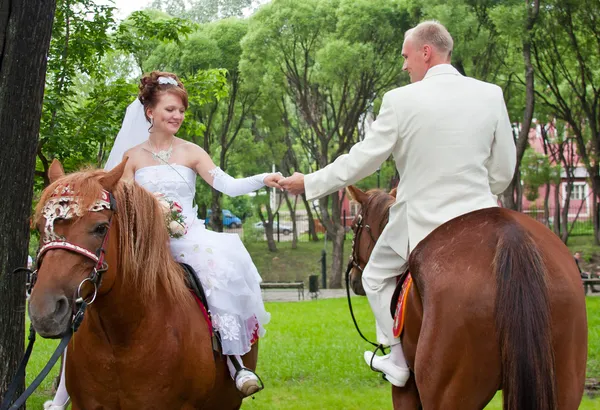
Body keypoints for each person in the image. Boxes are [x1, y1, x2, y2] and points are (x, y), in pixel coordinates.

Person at [280, 20, 516, 387]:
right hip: (481, 215)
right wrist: (485, 190)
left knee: (373, 277)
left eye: (407, 56)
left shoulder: (400, 100)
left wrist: (309, 181)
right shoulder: (491, 93)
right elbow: (503, 170)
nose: (404, 66)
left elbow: (362, 160)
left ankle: (397, 359)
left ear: (426, 52)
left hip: (423, 220)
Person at [44, 71, 280, 409]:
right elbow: (116, 198)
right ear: (150, 112)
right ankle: (64, 391)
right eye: (170, 109)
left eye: (181, 111)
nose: (177, 116)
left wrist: (262, 179)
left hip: (188, 236)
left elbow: (226, 184)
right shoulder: (132, 157)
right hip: (143, 244)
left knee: (219, 273)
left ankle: (235, 363)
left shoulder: (192, 152)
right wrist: (150, 207)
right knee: (93, 294)